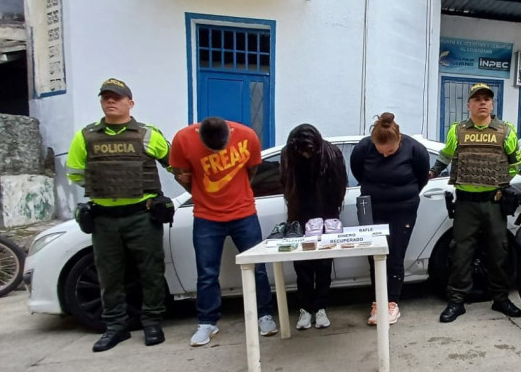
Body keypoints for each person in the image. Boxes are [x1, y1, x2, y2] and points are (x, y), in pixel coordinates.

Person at [66, 78, 171, 352]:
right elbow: (76, 173)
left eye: (117, 97)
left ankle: (152, 323)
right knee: (109, 275)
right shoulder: (85, 136)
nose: (111, 101)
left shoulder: (149, 135)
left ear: (130, 103)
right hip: (104, 218)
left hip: (142, 215)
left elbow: (174, 164)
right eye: (106, 98)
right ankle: (115, 327)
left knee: (150, 271)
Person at [169, 117, 278, 346]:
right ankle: (207, 322)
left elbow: (253, 171)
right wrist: (200, 195)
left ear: (229, 135)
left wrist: (238, 194)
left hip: (244, 213)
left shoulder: (247, 135)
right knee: (207, 273)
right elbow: (180, 174)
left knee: (257, 267)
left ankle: (264, 314)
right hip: (206, 217)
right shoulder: (183, 139)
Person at [429, 83, 521, 323]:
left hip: (494, 202)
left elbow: (516, 163)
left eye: (487, 99)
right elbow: (445, 156)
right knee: (461, 252)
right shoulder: (457, 131)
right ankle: (457, 301)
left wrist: (502, 181)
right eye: (477, 99)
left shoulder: (506, 131)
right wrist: (431, 172)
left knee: (499, 251)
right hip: (466, 204)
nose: (482, 102)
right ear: (469, 104)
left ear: (492, 104)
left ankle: (500, 299)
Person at [350, 113, 430, 325]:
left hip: (403, 209)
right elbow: (358, 171)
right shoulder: (363, 148)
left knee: (395, 254)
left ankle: (392, 302)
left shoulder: (414, 149)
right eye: (381, 151)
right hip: (372, 209)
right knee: (375, 255)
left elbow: (422, 178)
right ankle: (378, 301)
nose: (385, 156)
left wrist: (405, 193)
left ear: (399, 140)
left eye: (391, 152)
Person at [280, 124, 347, 330]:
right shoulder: (288, 154)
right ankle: (304, 308)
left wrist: (331, 216)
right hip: (299, 215)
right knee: (302, 265)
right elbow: (285, 183)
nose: (306, 155)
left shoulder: (331, 154)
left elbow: (340, 186)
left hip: (326, 214)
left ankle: (321, 307)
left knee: (324, 264)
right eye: (302, 152)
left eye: (309, 151)